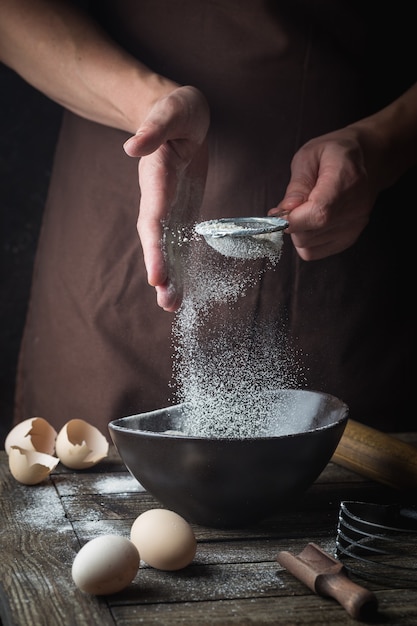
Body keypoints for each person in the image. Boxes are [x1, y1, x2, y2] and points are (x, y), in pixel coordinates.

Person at [0, 0, 415, 436]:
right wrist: (147, 103)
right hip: (128, 186)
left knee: (340, 484)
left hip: (351, 231)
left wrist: (387, 143)